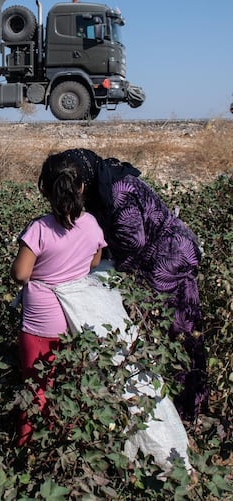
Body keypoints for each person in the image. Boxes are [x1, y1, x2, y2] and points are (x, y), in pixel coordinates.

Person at [52, 148, 206, 421]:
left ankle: (185, 412)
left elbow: (132, 242)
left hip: (168, 261)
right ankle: (176, 405)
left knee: (177, 333)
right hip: (153, 261)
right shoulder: (103, 186)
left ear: (82, 184)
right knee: (168, 332)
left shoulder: (120, 192)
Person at [11, 154, 107, 445]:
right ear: (80, 188)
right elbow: (94, 262)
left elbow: (20, 274)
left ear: (44, 190)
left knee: (36, 389)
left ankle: (27, 448)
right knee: (64, 386)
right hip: (74, 317)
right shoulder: (91, 224)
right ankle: (59, 445)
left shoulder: (39, 229)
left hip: (40, 323)